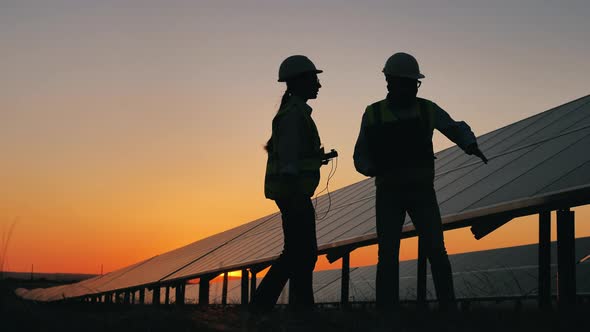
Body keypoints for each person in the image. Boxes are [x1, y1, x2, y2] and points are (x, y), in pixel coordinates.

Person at [353, 52, 488, 313]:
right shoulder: (373, 113)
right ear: (390, 82)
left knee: (436, 250)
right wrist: (371, 168)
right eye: (406, 82)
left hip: (422, 192)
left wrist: (470, 144)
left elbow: (453, 127)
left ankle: (447, 310)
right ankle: (387, 312)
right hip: (389, 193)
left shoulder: (427, 109)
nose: (411, 88)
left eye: (413, 83)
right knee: (388, 254)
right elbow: (361, 154)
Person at [250, 55, 327, 317]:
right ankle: (269, 306)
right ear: (299, 82)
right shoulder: (294, 114)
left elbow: (292, 154)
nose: (318, 85)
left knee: (299, 253)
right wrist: (295, 189)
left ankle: (297, 309)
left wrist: (317, 158)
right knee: (300, 253)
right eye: (314, 79)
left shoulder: (293, 113)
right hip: (293, 192)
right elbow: (290, 161)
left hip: (290, 191)